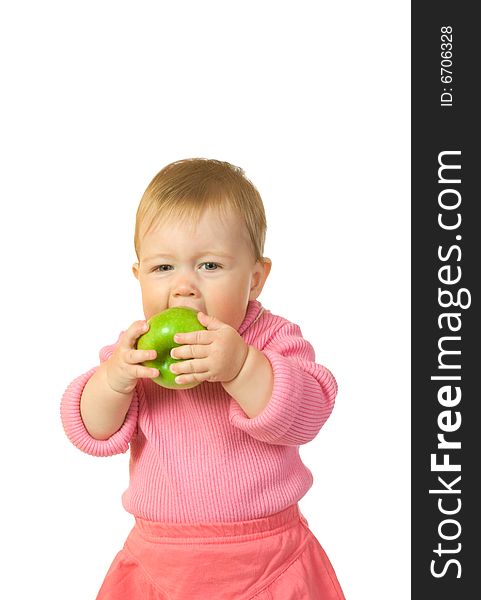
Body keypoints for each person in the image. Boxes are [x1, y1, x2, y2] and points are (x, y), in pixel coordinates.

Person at [60, 158, 345, 599]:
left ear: (255, 278)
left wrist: (242, 367)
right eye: (162, 268)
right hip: (161, 561)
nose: (184, 287)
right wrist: (114, 380)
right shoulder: (137, 350)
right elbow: (91, 429)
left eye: (210, 266)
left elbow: (309, 410)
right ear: (138, 277)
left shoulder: (272, 339)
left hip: (267, 556)